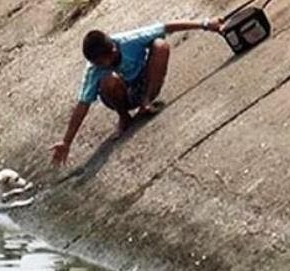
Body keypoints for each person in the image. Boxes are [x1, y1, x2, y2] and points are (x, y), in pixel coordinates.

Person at [50, 19, 221, 166]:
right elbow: (82, 105)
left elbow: (166, 27)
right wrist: (67, 141)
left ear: (113, 51)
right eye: (97, 64)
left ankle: (146, 102)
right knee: (108, 81)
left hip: (145, 82)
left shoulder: (129, 40)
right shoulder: (94, 70)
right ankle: (124, 117)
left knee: (160, 45)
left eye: (103, 62)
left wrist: (205, 24)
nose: (100, 66)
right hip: (120, 96)